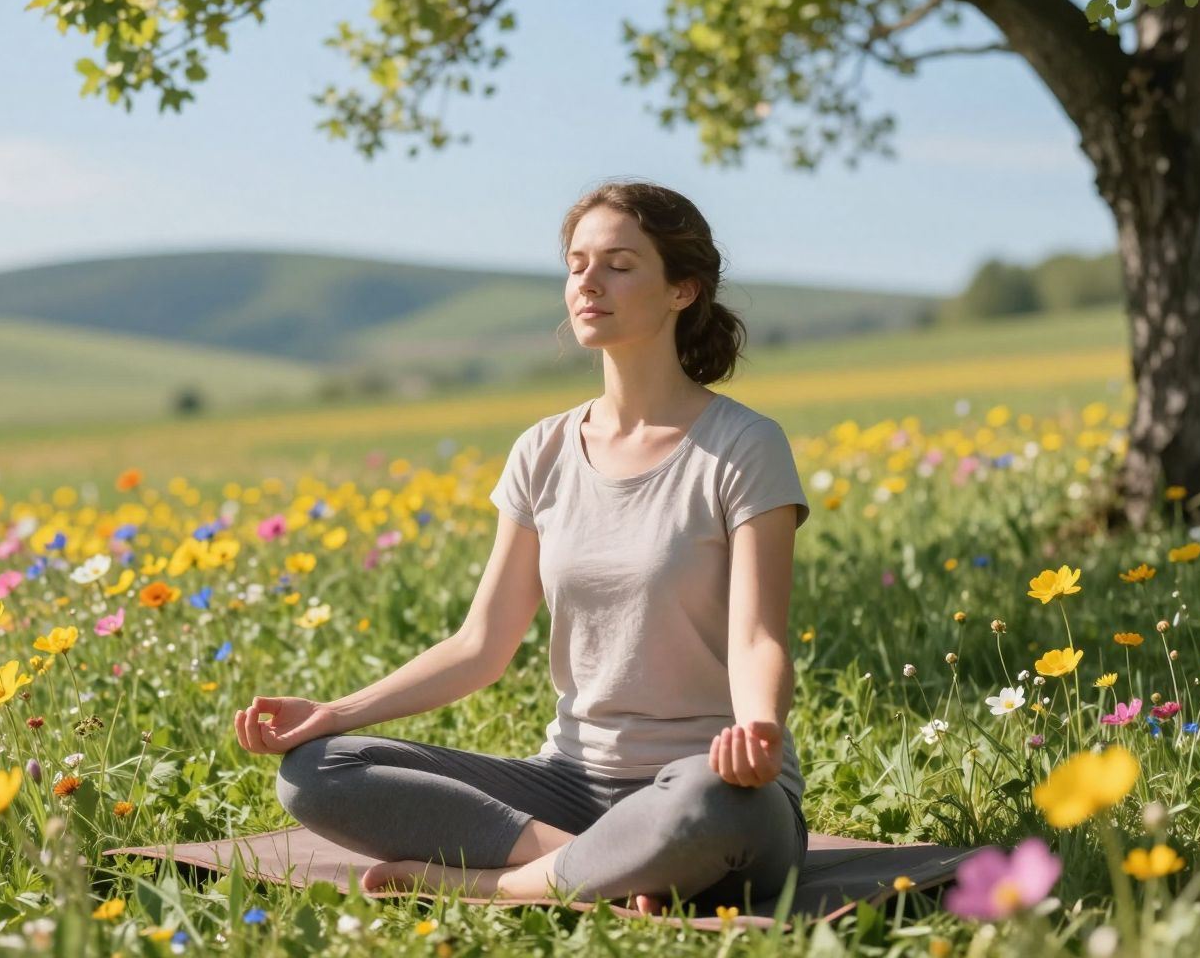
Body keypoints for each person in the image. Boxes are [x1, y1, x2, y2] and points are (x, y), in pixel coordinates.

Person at [234, 178, 811, 916]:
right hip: (569, 787)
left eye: (620, 264)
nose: (587, 283)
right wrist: (335, 713)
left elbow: (758, 636)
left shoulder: (743, 446)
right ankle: (608, 867)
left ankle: (501, 885)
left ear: (683, 290)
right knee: (316, 772)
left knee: (710, 805)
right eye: (576, 264)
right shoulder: (542, 450)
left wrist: (758, 728)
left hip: (708, 779)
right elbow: (480, 645)